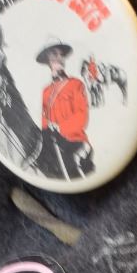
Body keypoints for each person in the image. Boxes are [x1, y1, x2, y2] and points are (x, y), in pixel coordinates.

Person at [37, 40, 94, 179]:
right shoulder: (46, 91)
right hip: (51, 143)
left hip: (73, 141)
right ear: (47, 60)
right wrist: (47, 127)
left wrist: (60, 127)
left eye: (61, 55)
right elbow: (44, 120)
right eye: (54, 54)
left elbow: (82, 116)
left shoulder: (76, 84)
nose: (59, 58)